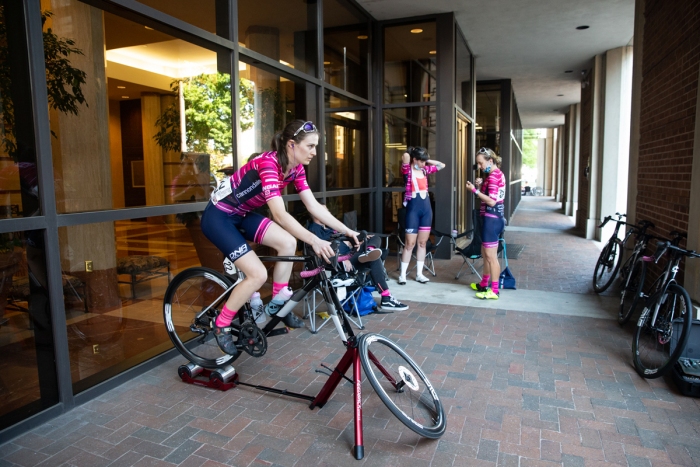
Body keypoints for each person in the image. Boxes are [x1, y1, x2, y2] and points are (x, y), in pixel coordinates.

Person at [201, 120, 360, 357]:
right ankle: (221, 324)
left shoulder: (295, 169)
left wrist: (348, 231)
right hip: (219, 217)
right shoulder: (268, 164)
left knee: (288, 242)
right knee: (257, 274)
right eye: (311, 146)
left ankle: (278, 303)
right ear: (291, 145)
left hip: (242, 214)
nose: (315, 152)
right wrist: (315, 241)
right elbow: (279, 214)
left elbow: (314, 206)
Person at [308, 206, 408, 311]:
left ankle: (369, 250)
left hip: (351, 252)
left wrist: (357, 242)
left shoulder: (329, 228)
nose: (328, 212)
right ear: (316, 213)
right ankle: (386, 297)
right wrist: (342, 259)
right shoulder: (314, 230)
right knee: (374, 259)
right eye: (325, 211)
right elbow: (322, 251)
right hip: (340, 262)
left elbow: (343, 239)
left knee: (374, 238)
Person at [398, 146, 446, 285]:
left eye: (425, 162)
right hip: (413, 209)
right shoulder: (407, 171)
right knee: (409, 244)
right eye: (421, 161)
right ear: (415, 159)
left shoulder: (424, 169)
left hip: (426, 209)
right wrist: (413, 155)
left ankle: (419, 274)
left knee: (422, 242)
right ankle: (402, 275)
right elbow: (405, 158)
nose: (424, 164)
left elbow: (441, 165)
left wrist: (425, 159)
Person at [465, 147, 506, 300]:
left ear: (490, 160)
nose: (480, 167)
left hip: (492, 219)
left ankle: (494, 290)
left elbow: (491, 201)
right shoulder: (494, 175)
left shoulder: (494, 176)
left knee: (491, 257)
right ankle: (484, 284)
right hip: (493, 218)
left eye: (481, 163)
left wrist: (475, 191)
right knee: (485, 254)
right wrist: (482, 185)